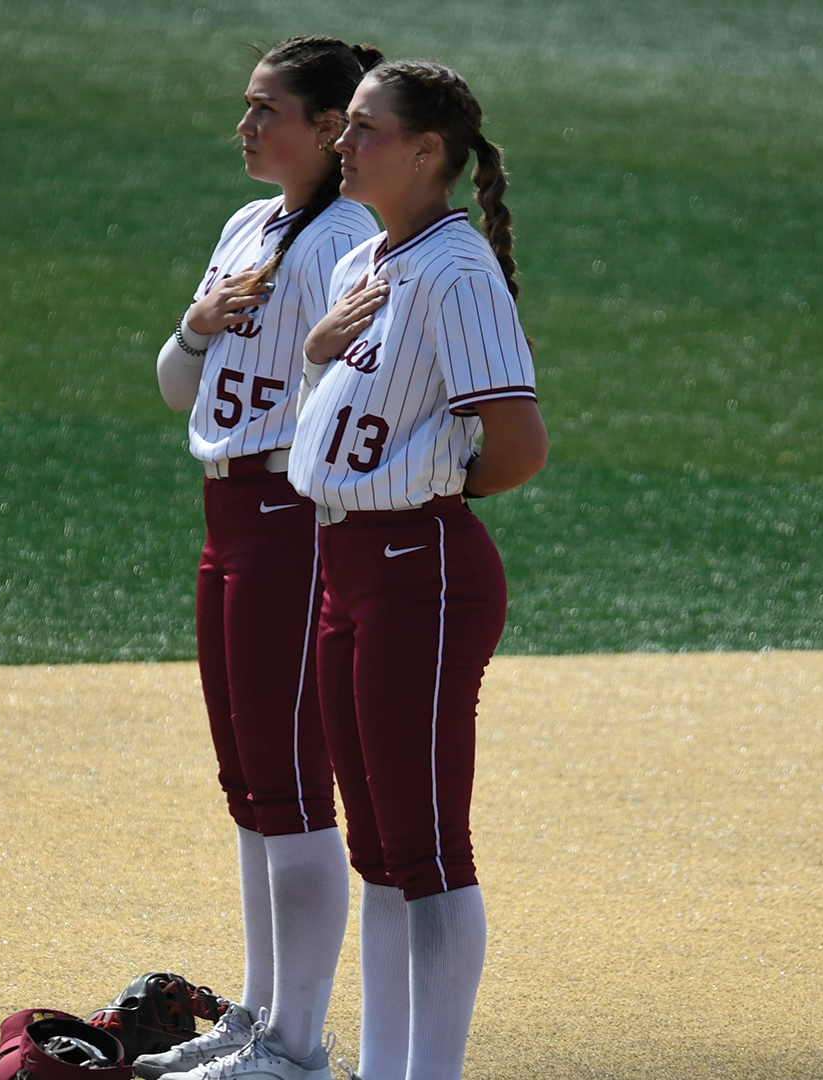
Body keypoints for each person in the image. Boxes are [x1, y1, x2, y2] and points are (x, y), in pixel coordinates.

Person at [288, 60, 548, 1080]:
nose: (344, 143)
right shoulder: (380, 262)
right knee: (382, 855)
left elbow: (518, 445)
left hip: (419, 570)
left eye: (365, 129)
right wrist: (315, 350)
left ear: (426, 153)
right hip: (353, 570)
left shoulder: (453, 269)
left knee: (430, 853)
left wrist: (433, 488)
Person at [147, 34, 385, 1080]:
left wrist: (317, 357)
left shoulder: (349, 242)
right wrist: (198, 326)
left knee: (292, 782)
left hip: (293, 518)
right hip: (227, 517)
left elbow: (367, 392)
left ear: (329, 131)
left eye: (264, 110)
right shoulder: (249, 223)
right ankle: (258, 1015)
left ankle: (296, 1046)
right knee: (248, 781)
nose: (243, 127)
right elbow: (174, 388)